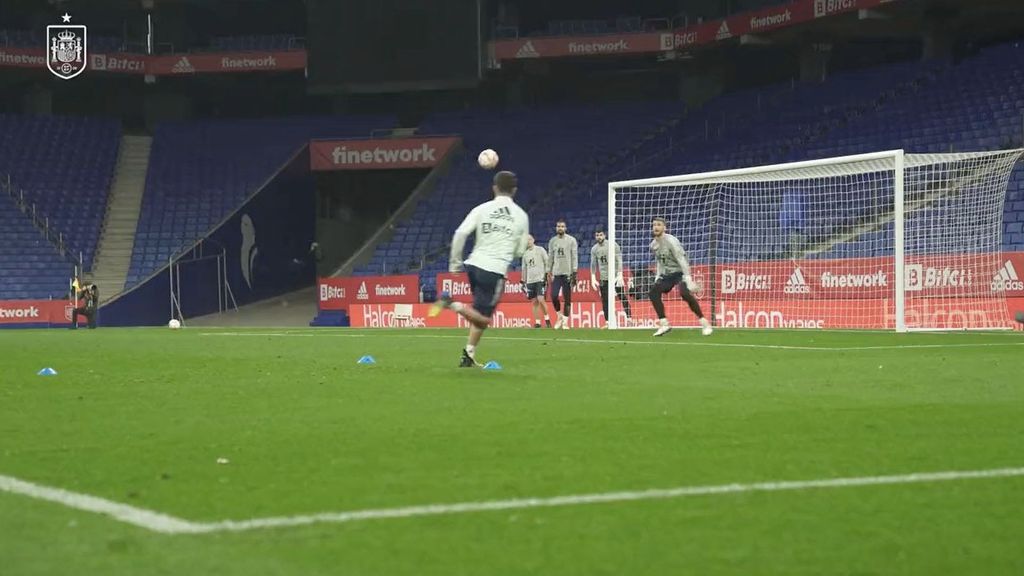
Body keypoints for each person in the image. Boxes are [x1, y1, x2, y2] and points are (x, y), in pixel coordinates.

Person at [430, 171, 530, 367]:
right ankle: (451, 303)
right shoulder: (521, 215)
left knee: (480, 310)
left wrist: (455, 264)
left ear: (494, 188)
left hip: (474, 265)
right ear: (514, 190)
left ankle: (468, 354)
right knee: (484, 320)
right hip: (495, 270)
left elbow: (460, 234)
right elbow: (519, 251)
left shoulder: (482, 209)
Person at [649, 217, 712, 337]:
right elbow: (659, 261)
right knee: (653, 292)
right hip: (668, 274)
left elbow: (681, 259)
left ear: (664, 228)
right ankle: (664, 324)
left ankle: (704, 322)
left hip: (680, 272)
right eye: (654, 225)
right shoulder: (653, 245)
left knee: (684, 293)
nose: (656, 227)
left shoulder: (671, 241)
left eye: (659, 225)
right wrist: (658, 276)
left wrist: (688, 278)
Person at [590, 228, 631, 327]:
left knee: (622, 297)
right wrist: (593, 277)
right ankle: (608, 322)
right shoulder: (594, 249)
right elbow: (593, 264)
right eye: (597, 235)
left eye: (600, 235)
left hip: (615, 277)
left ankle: (629, 319)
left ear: (605, 235)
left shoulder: (613, 245)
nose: (599, 237)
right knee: (605, 300)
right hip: (604, 278)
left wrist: (620, 273)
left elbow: (619, 259)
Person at [546, 219, 578, 330]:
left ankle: (565, 322)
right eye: (558, 226)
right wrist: (548, 271)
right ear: (556, 228)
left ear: (566, 228)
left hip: (568, 273)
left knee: (567, 298)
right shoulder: (552, 241)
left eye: (562, 226)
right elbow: (550, 257)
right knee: (553, 295)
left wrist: (574, 272)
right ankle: (559, 316)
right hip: (556, 273)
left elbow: (574, 257)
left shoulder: (571, 240)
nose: (560, 228)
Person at [520, 235, 550, 328]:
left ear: (533, 240)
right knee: (534, 302)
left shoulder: (540, 250)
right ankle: (537, 322)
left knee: (541, 300)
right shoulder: (525, 254)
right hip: (530, 281)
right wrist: (523, 280)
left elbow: (547, 261)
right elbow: (524, 269)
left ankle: (547, 319)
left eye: (529, 239)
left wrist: (547, 273)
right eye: (526, 240)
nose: (528, 241)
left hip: (540, 279)